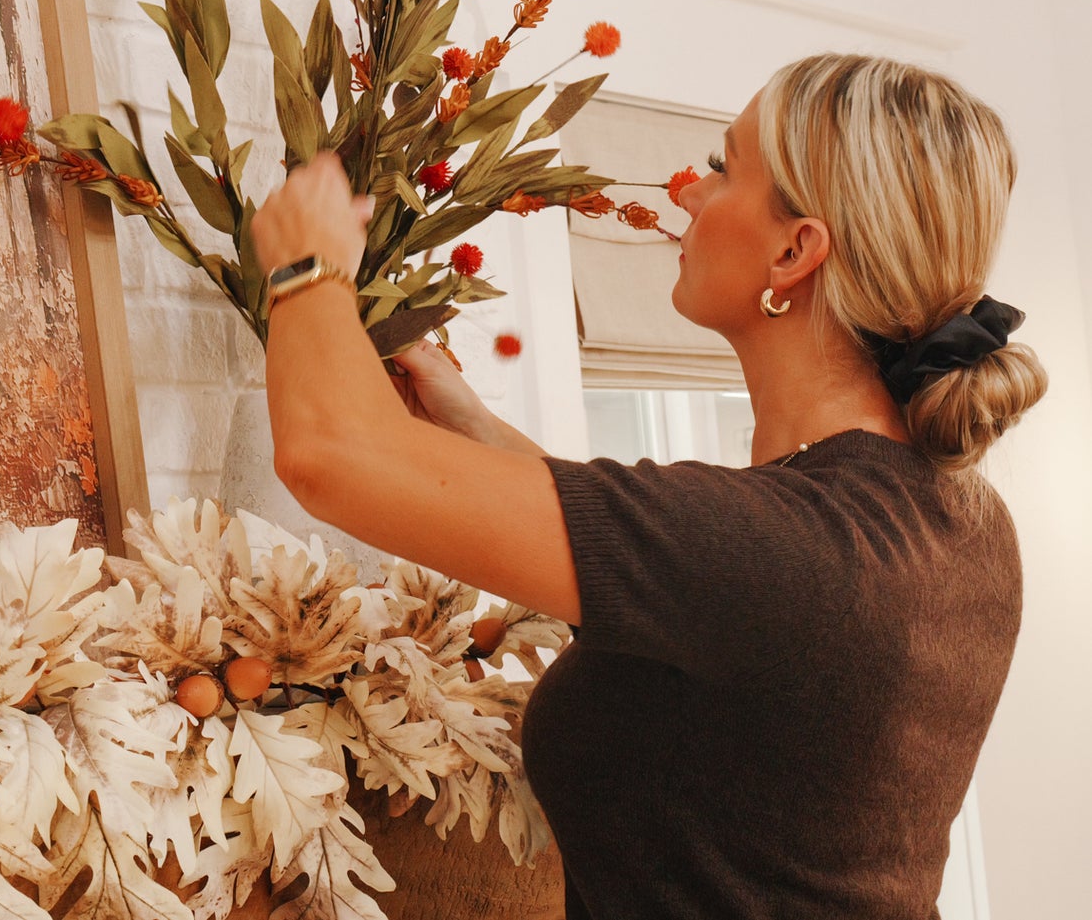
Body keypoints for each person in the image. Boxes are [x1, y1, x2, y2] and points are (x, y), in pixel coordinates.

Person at [249, 53, 1043, 918]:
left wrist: (306, 266)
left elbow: (329, 454)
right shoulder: (959, 522)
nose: (686, 194)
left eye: (720, 167)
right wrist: (470, 429)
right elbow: (689, 591)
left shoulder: (783, 548)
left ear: (794, 249)